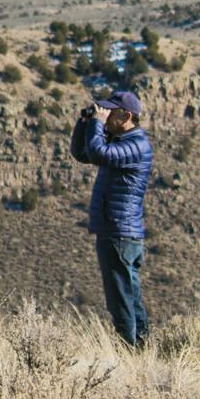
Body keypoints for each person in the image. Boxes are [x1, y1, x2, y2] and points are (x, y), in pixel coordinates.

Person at [70, 90, 153, 346]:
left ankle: (129, 352)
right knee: (129, 295)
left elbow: (97, 153)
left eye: (110, 112)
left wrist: (96, 124)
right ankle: (140, 348)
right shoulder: (121, 143)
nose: (105, 116)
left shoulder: (136, 145)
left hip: (119, 233)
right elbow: (82, 153)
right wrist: (84, 123)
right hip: (118, 230)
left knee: (121, 301)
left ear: (127, 116)